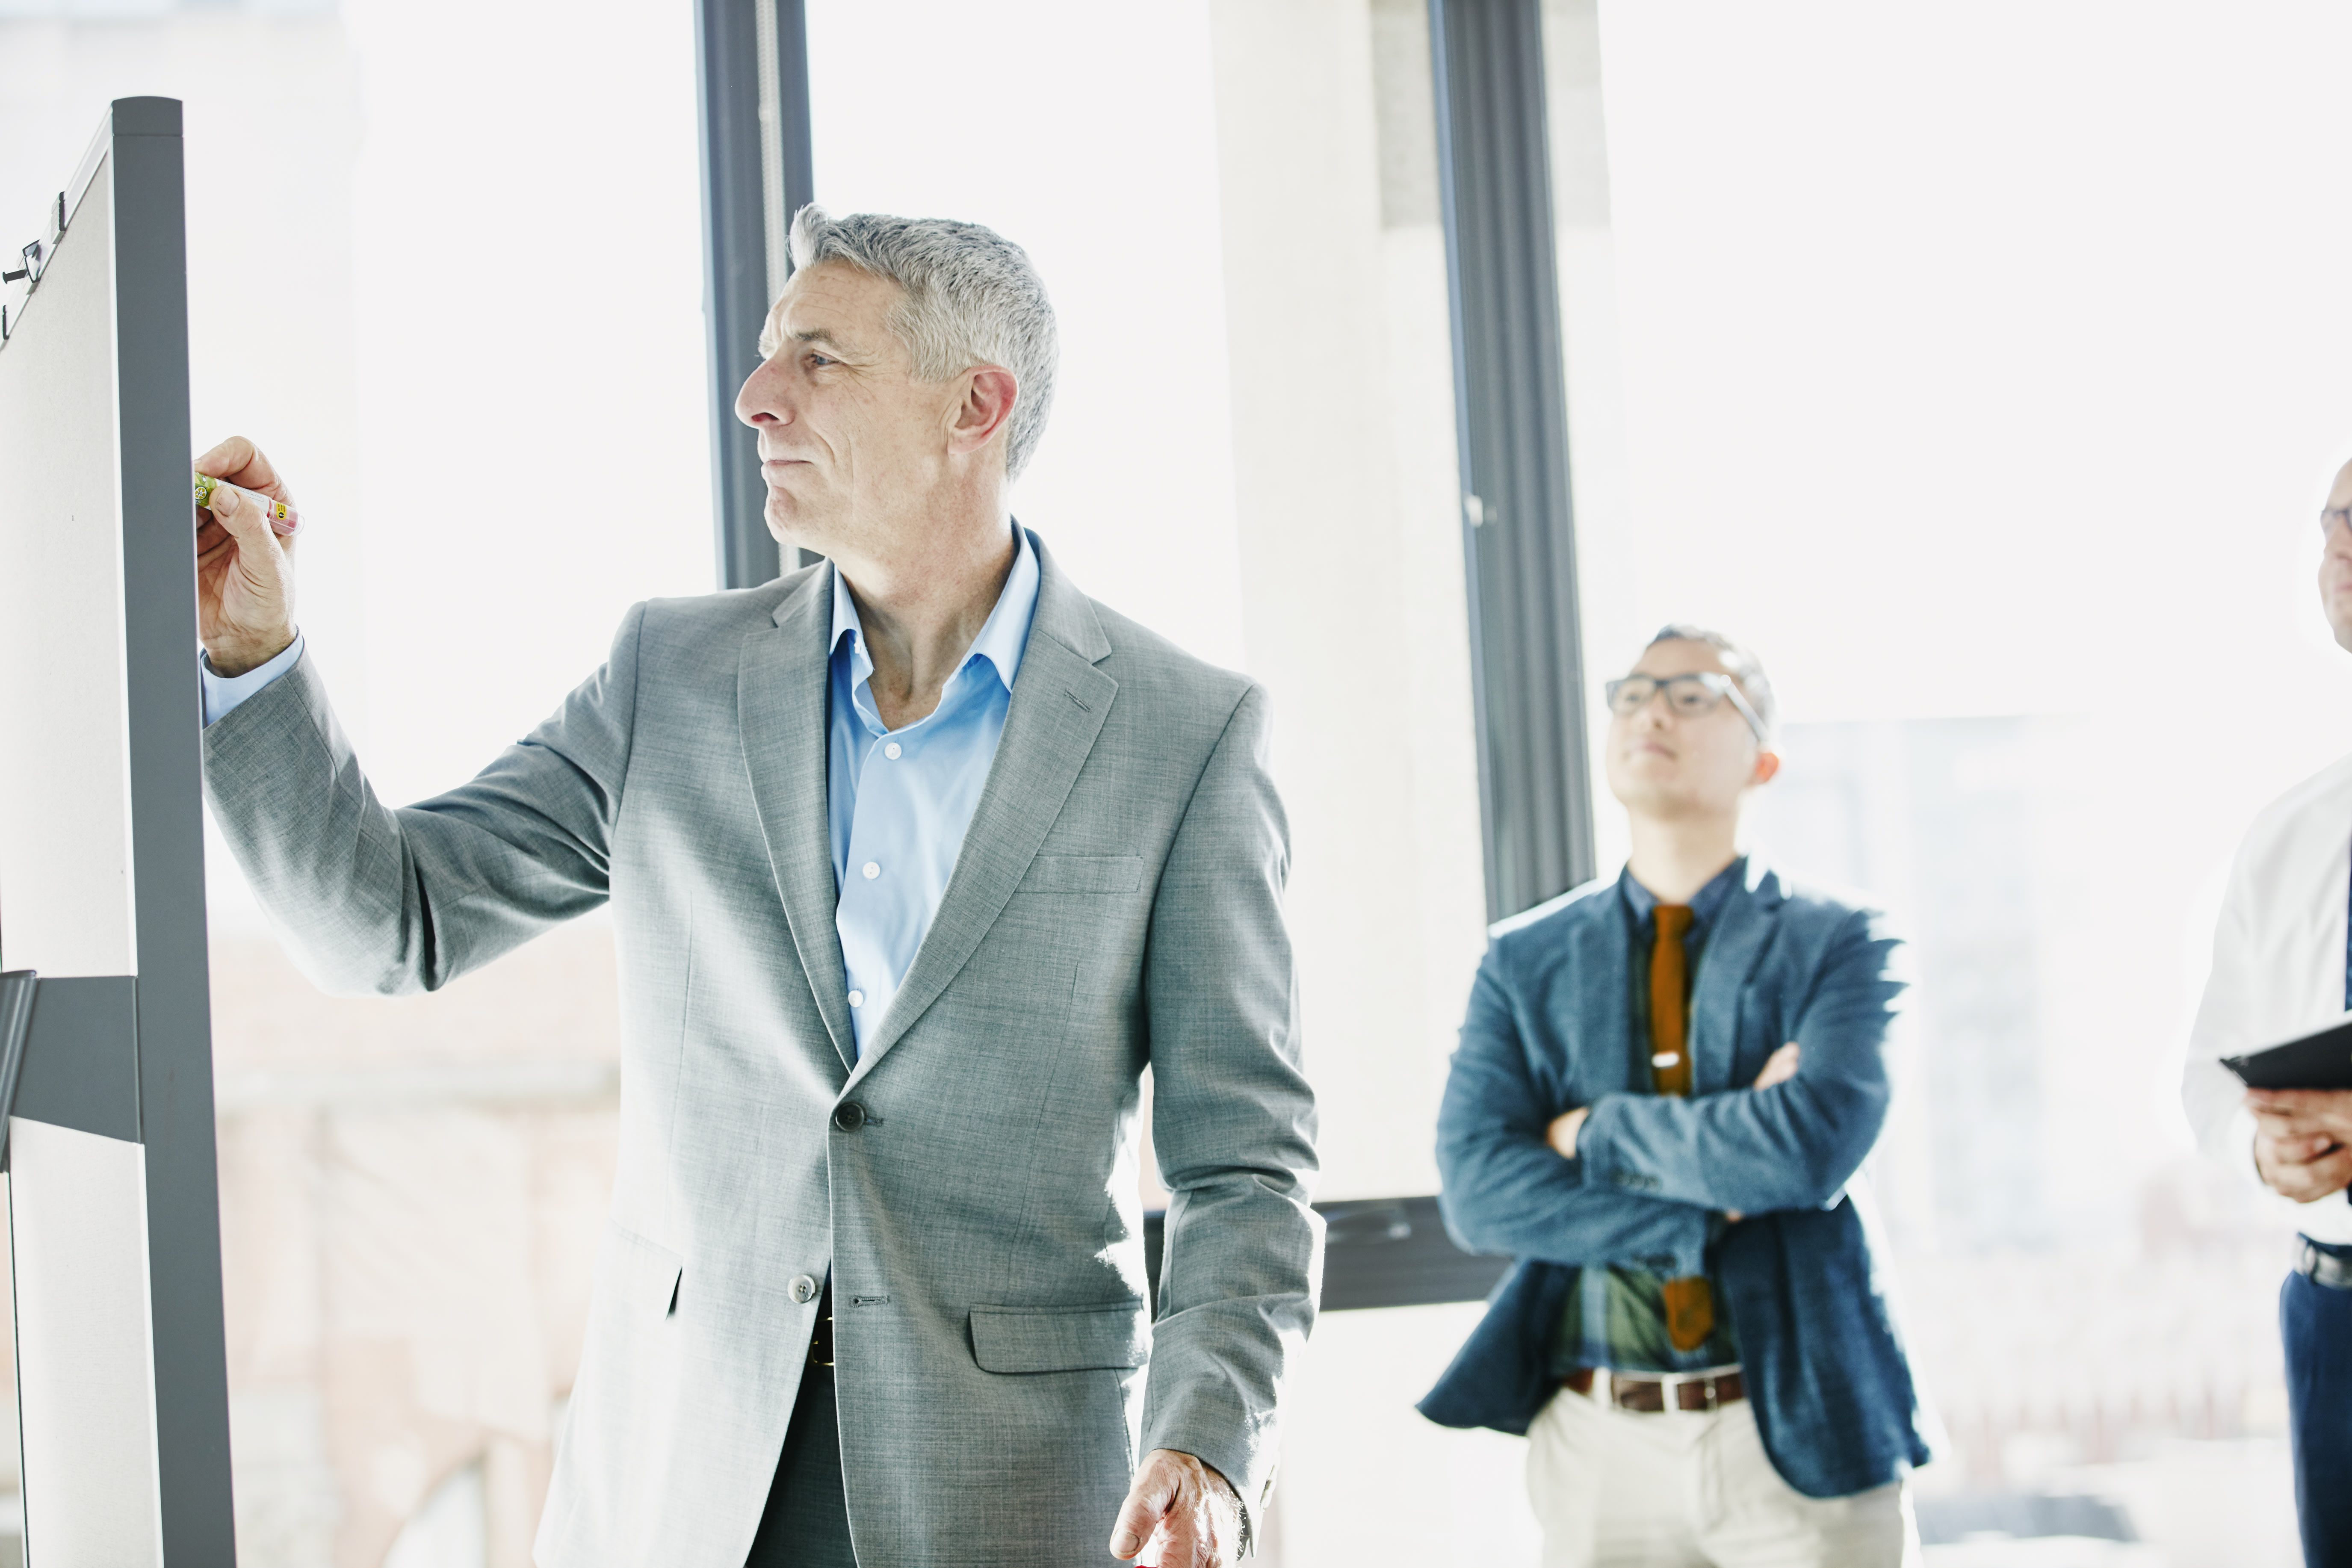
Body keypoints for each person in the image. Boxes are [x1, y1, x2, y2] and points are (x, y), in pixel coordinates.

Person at [192, 207, 1319, 1568]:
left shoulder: (1182, 735)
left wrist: (1208, 1445)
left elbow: (1242, 1165)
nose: (755, 394)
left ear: (975, 403)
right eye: (766, 353)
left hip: (1010, 1489)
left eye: (817, 359)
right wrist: (254, 655)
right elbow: (390, 920)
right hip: (684, 1469)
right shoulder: (673, 678)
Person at [1418, 627, 1931, 1566]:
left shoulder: (1841, 938)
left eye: (1693, 693)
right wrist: (1713, 1198)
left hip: (1798, 1427)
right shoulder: (1522, 960)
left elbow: (1805, 1149)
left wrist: (1587, 1131)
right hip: (1595, 1437)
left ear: (1762, 760)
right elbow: (1479, 1190)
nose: (1651, 707)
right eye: (1633, 690)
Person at [2183, 455, 2352, 1568]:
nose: (2346, 543)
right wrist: (2266, 1151)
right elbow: (2207, 1070)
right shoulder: (2290, 831)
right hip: (2334, 1313)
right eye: (2339, 518)